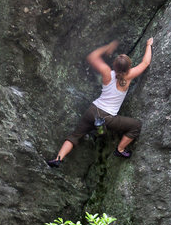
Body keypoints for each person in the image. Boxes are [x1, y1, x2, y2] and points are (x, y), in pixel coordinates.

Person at [47, 38, 153, 167]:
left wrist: (107, 47)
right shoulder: (129, 76)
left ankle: (58, 158)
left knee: (75, 136)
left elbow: (92, 57)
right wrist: (148, 45)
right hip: (107, 118)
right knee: (136, 126)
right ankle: (120, 150)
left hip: (92, 110)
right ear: (128, 67)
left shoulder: (106, 72)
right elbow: (146, 62)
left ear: (114, 65)